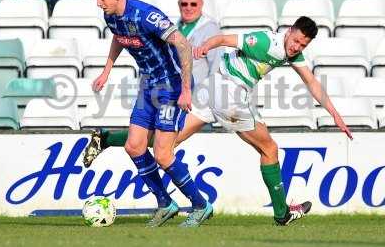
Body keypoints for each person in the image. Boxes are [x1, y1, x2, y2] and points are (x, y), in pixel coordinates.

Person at [83, 16, 354, 226]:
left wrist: (335, 114)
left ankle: (106, 138)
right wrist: (203, 47)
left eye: (302, 45)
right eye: (296, 40)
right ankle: (282, 214)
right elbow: (224, 38)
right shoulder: (263, 41)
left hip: (210, 92)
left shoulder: (293, 53)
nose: (296, 47)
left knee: (165, 143)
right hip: (230, 97)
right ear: (289, 30)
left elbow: (312, 82)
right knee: (269, 149)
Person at [86, 0, 212, 228]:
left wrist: (186, 89)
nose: (98, 4)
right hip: (147, 86)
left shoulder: (147, 15)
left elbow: (183, 44)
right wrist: (106, 71)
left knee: (164, 155)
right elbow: (119, 39)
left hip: (171, 86)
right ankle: (165, 204)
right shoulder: (111, 16)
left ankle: (201, 206)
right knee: (134, 146)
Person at [177, 0, 222, 86]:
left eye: (193, 4)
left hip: (198, 92)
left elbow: (216, 66)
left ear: (201, 4)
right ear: (179, 5)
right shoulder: (173, 27)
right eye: (184, 4)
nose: (188, 8)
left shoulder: (211, 29)